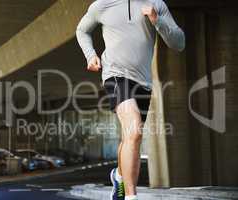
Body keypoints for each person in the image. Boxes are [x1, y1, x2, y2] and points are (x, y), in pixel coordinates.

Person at [76, 0, 185, 200]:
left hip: (143, 81)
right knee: (134, 130)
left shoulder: (156, 4)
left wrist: (157, 20)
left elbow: (179, 43)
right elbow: (82, 30)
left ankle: (119, 176)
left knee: (130, 137)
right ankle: (130, 196)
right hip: (115, 74)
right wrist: (91, 55)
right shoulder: (102, 5)